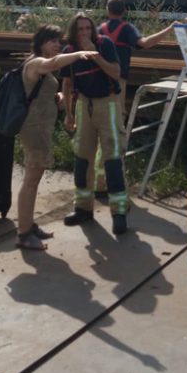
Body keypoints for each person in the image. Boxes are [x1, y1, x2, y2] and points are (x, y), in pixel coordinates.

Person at [14, 25, 99, 251]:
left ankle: (29, 225)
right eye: (52, 41)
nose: (56, 45)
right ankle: (23, 234)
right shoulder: (35, 62)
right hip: (33, 129)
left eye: (58, 42)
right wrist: (78, 54)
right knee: (31, 179)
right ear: (41, 42)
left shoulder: (42, 67)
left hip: (41, 128)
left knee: (34, 177)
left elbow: (41, 94)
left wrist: (59, 96)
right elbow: (52, 64)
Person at [90, 0, 176, 201]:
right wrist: (169, 29)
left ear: (107, 9)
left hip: (98, 83)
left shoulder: (99, 29)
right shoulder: (127, 28)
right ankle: (109, 182)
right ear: (125, 11)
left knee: (100, 130)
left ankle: (97, 181)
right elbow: (145, 43)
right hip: (117, 82)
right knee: (114, 131)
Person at [60, 13, 131, 235]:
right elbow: (67, 82)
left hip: (107, 103)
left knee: (112, 158)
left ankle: (119, 212)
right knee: (82, 158)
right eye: (79, 30)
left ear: (93, 30)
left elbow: (115, 72)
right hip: (83, 105)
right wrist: (69, 114)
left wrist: (94, 55)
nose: (83, 33)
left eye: (87, 29)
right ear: (73, 32)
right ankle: (83, 208)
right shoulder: (69, 52)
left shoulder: (105, 44)